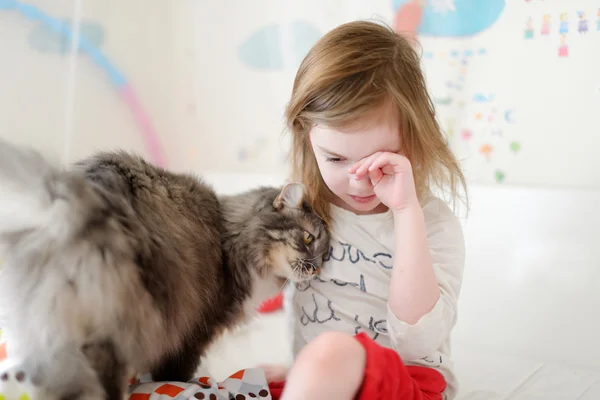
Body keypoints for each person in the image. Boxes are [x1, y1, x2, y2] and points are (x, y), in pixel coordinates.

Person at [262, 20, 468, 400]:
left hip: (408, 385)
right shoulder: (301, 213)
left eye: (378, 161)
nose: (358, 183)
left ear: (412, 136)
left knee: (326, 355)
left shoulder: (431, 223)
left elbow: (417, 342)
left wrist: (406, 213)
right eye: (336, 158)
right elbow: (259, 289)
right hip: (323, 385)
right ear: (307, 138)